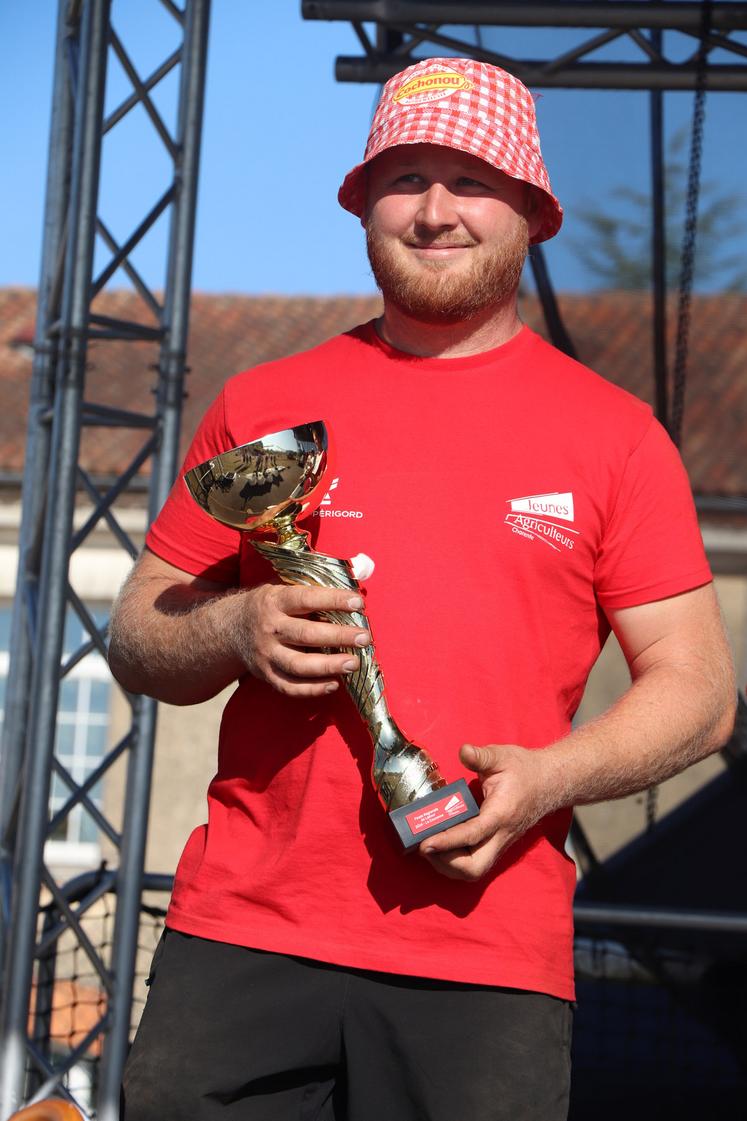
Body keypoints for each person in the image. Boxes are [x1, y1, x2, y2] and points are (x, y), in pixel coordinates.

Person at [112, 57, 735, 1121]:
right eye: (406, 176)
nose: (436, 210)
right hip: (244, 933)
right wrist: (236, 622)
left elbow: (701, 689)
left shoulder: (616, 437)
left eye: (472, 179)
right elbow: (137, 631)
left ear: (533, 212)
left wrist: (549, 778)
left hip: (486, 953)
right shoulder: (265, 404)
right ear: (363, 202)